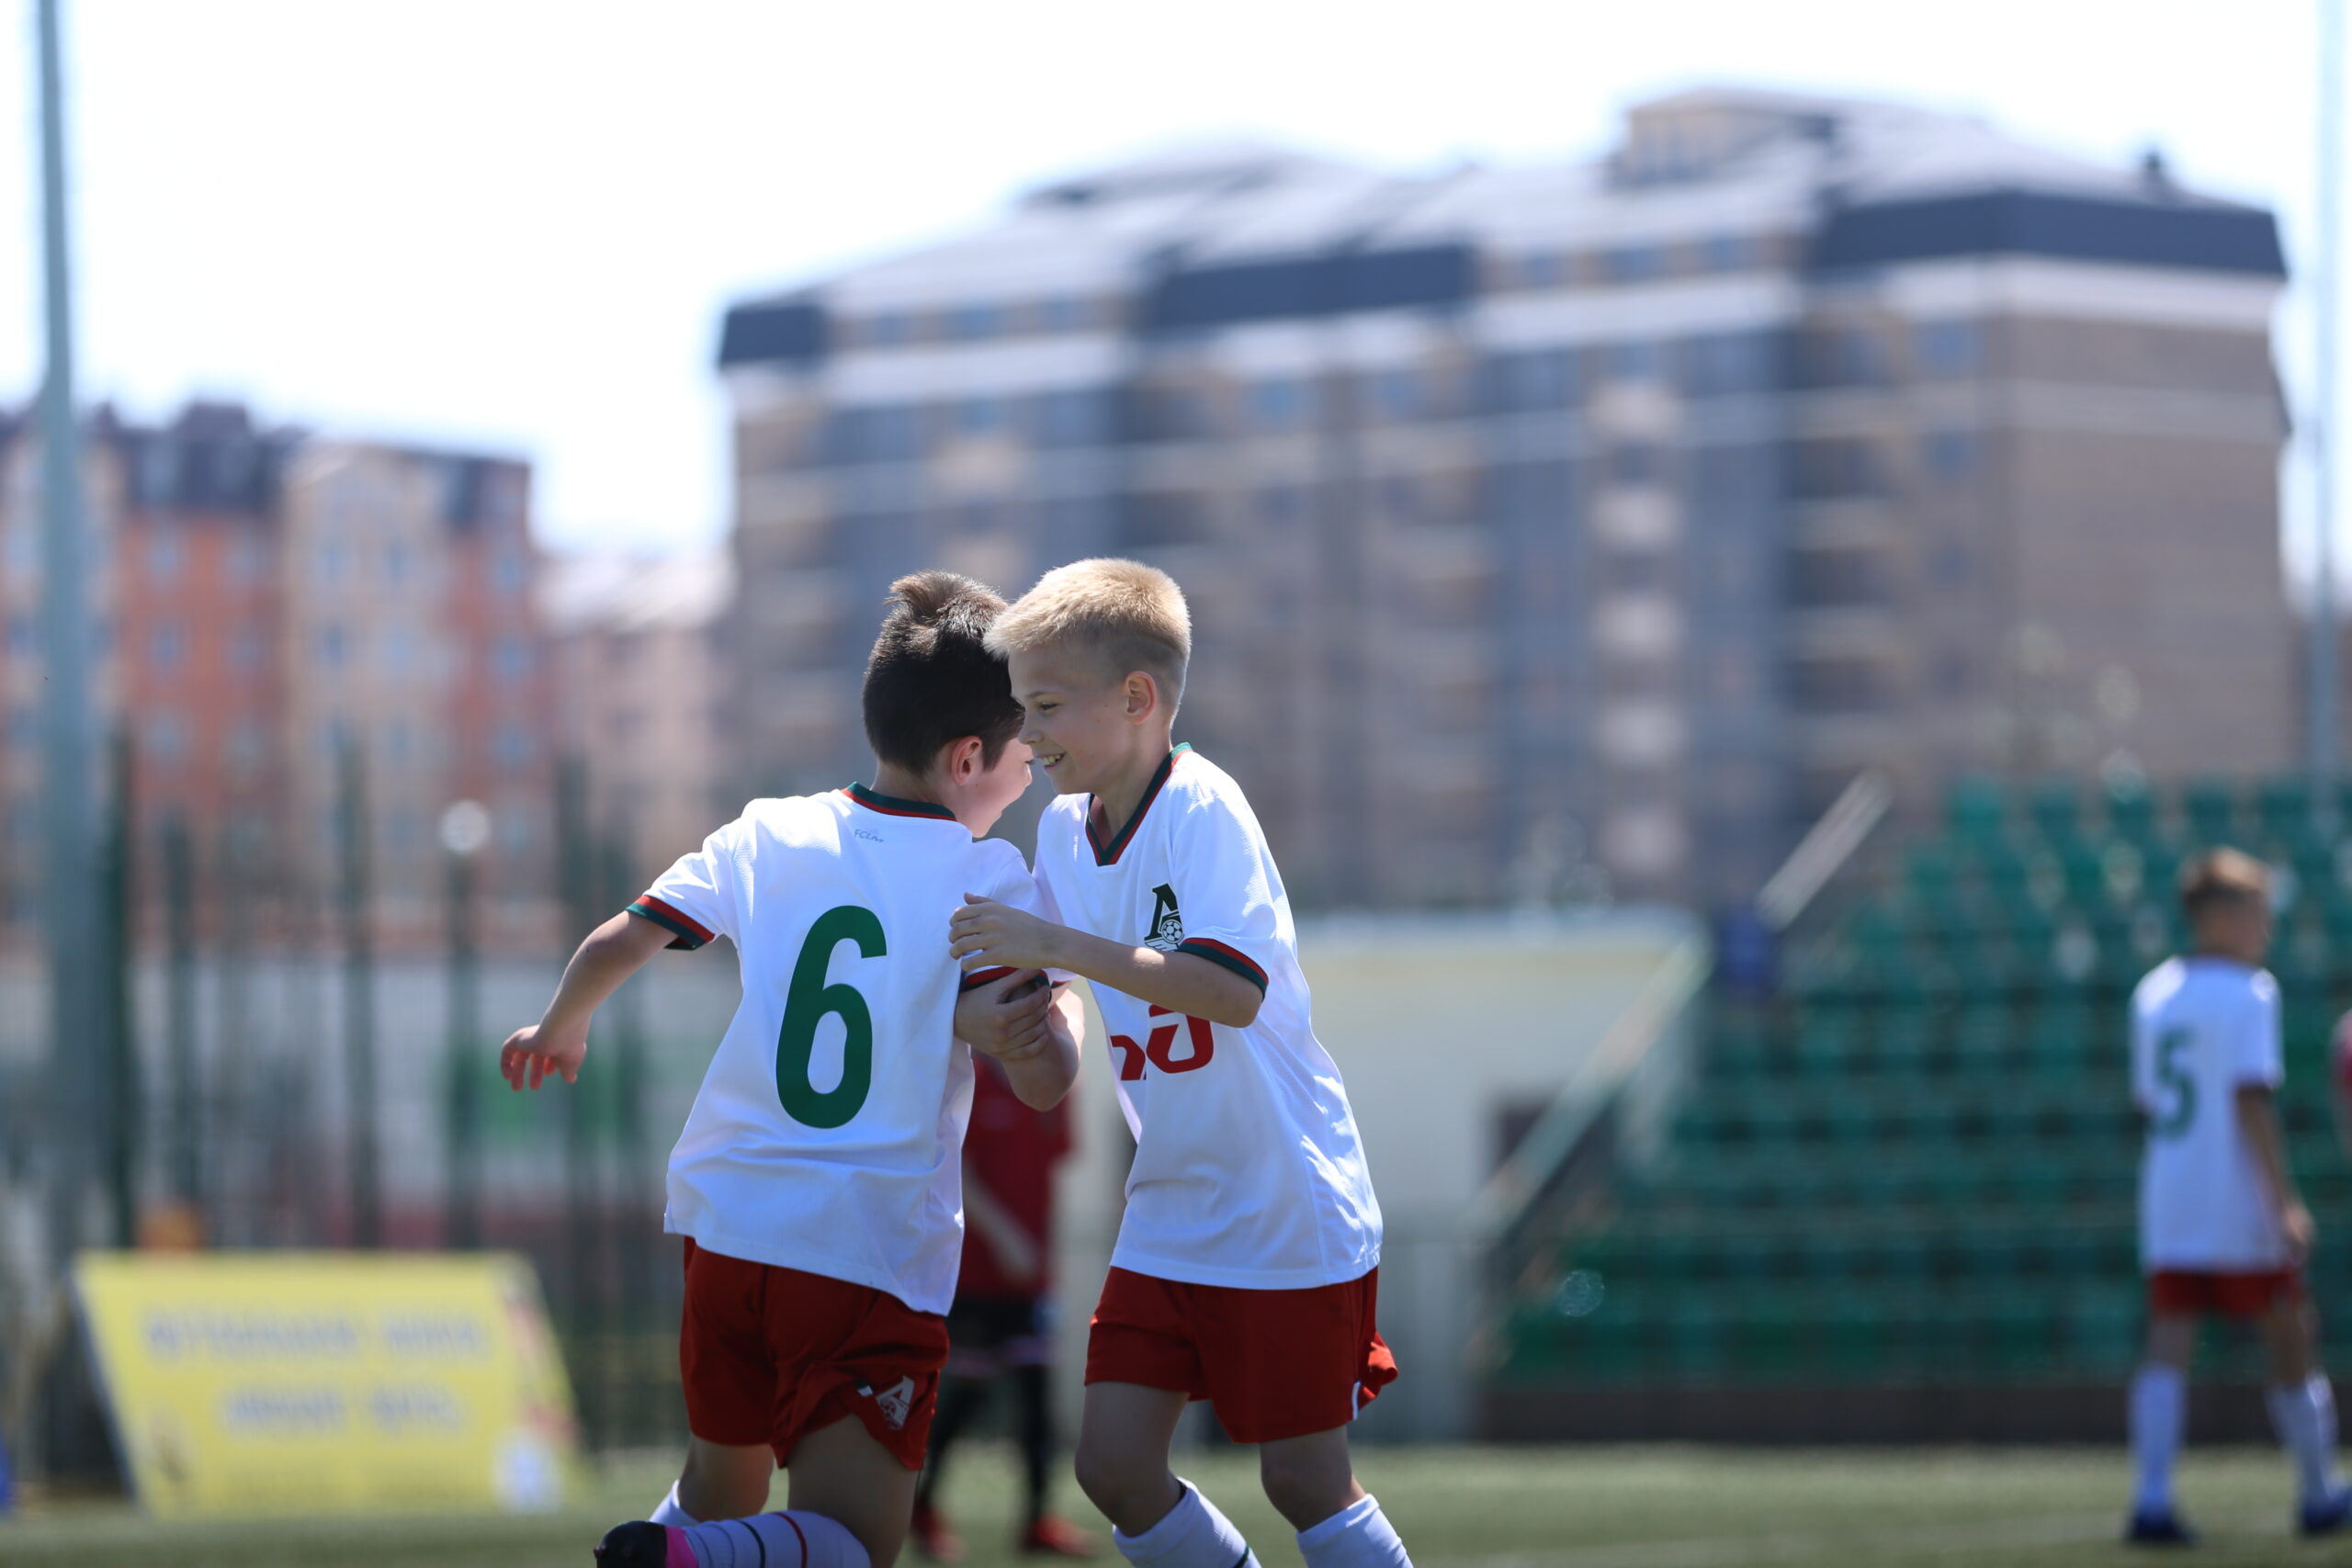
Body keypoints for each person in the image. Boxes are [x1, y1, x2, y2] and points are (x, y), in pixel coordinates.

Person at [499, 572, 1083, 1568]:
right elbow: (1046, 1080)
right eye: (1026, 754)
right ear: (971, 755)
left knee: (723, 1491)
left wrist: (560, 1026)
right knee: (854, 1541)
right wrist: (1045, 1017)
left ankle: (669, 1549)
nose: (1031, 776)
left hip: (725, 1225)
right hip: (861, 1241)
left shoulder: (768, 829)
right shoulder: (986, 877)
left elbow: (618, 940)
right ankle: (674, 1557)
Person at [949, 558, 1412, 1568]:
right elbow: (1059, 1001)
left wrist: (1055, 951)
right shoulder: (1066, 828)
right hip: (1170, 1204)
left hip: (1283, 1200)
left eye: (1046, 706)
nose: (1027, 736)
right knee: (1112, 1468)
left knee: (1302, 1481)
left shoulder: (1204, 808)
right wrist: (1036, 1036)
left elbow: (1228, 990)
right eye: (1020, 709)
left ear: (1137, 698)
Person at [2125, 847, 2351, 1545]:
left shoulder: (2152, 991)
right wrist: (2283, 1199)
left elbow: (2149, 1100)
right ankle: (2318, 1493)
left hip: (2170, 1192)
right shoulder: (2251, 991)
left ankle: (2152, 1497)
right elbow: (2251, 1098)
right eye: (2257, 910)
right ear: (2218, 914)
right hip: (2237, 1195)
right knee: (2289, 1331)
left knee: (2168, 1338)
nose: (2267, 926)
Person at [910, 1054, 1096, 1561]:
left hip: (1030, 1278)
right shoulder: (971, 1080)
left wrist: (1040, 1253)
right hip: (976, 1275)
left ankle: (1037, 1521)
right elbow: (958, 1173)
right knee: (966, 1394)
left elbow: (1050, 1167)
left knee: (1036, 1398)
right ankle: (920, 1508)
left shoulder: (1053, 1081)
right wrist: (1008, 1238)